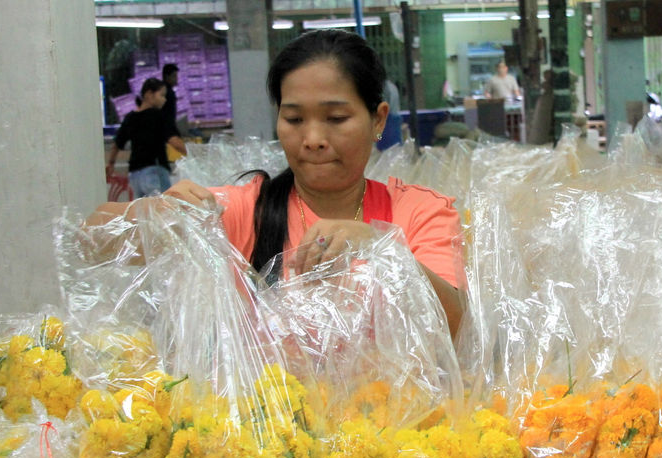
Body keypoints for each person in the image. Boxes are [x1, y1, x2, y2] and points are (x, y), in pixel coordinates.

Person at [90, 30, 463, 337]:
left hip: (392, 423)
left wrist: (383, 251)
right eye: (295, 119)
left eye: (335, 117)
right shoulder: (243, 211)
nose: (313, 137)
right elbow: (91, 239)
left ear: (378, 119)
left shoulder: (419, 213)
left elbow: (454, 322)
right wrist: (157, 215)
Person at [105, 78, 187, 198]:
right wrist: (193, 155)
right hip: (154, 171)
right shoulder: (158, 116)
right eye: (162, 95)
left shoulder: (130, 118)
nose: (164, 100)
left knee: (142, 213)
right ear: (149, 94)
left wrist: (111, 164)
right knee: (161, 211)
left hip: (134, 175)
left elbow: (117, 144)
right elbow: (174, 141)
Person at [161, 63, 181, 137]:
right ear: (167, 77)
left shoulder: (167, 90)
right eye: (174, 76)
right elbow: (168, 116)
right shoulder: (166, 92)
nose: (176, 79)